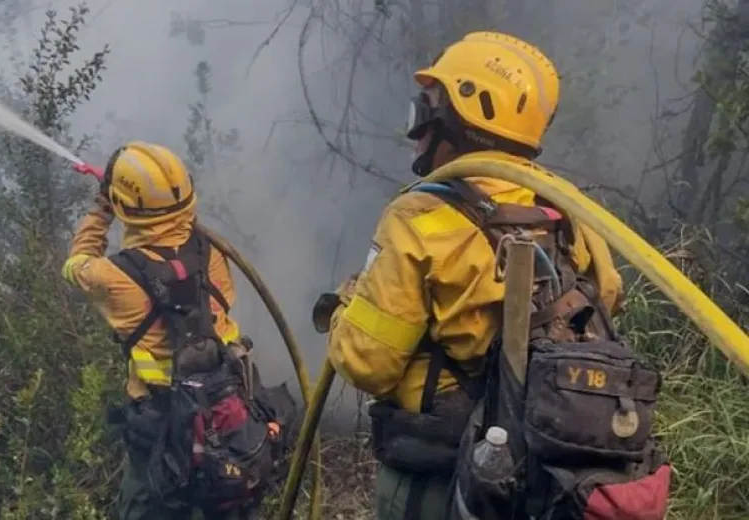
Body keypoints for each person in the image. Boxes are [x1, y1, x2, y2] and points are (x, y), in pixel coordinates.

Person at [318, 32, 625, 519]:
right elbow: (607, 295)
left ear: (462, 116)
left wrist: (345, 307)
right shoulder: (566, 209)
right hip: (546, 473)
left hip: (442, 480)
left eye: (426, 112)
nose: (418, 132)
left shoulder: (417, 216)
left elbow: (367, 362)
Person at [62, 141, 292, 520]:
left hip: (159, 432)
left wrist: (102, 210)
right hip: (226, 421)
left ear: (125, 206)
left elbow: (76, 263)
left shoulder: (113, 276)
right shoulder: (214, 253)